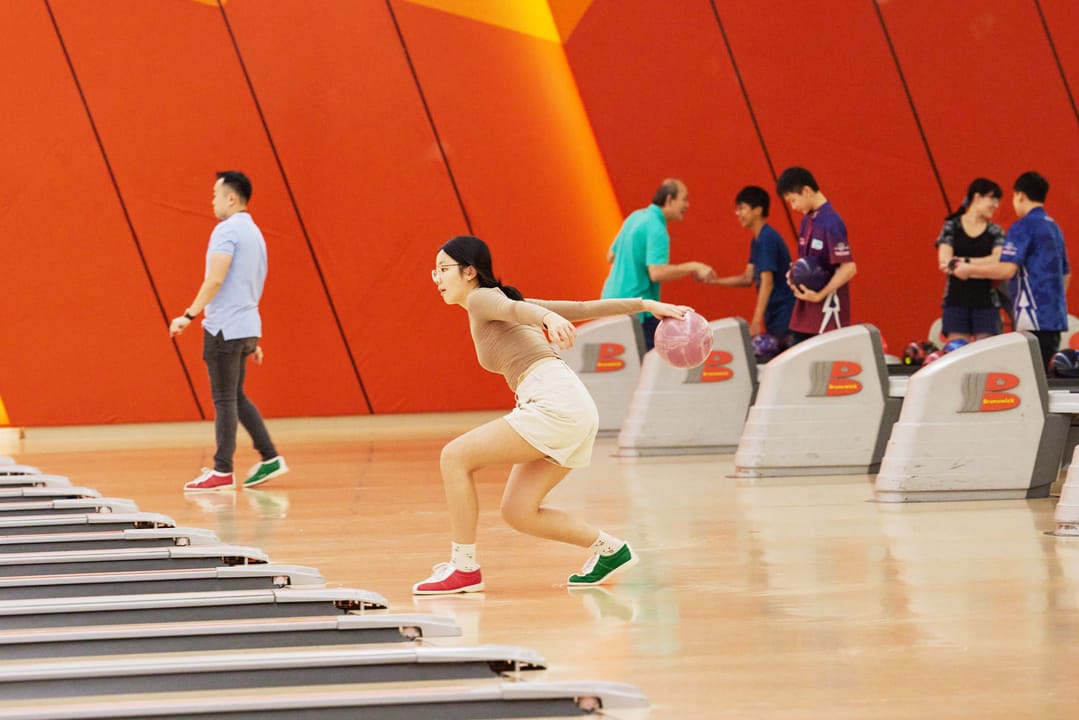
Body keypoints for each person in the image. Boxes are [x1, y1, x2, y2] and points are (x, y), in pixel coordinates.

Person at [414, 235, 688, 595]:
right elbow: (582, 307)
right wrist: (644, 303)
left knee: (454, 458)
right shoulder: (500, 303)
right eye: (434, 271)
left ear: (469, 272)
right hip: (569, 405)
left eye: (443, 269)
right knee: (519, 511)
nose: (436, 278)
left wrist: (546, 317)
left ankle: (464, 568)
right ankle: (611, 550)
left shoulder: (484, 298)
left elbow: (522, 311)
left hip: (554, 403)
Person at [169, 171, 288, 492]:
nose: (213, 201)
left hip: (224, 328)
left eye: (215, 195)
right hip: (248, 326)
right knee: (235, 395)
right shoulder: (256, 234)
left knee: (223, 398)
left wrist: (188, 315)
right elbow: (251, 282)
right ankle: (270, 457)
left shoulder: (226, 231)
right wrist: (254, 338)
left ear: (231, 198)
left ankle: (222, 470)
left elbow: (216, 280)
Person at [952, 171, 1069, 366]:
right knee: (1048, 377)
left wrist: (967, 270)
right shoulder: (1054, 227)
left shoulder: (1022, 226)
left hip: (1031, 319)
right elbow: (1066, 274)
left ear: (1020, 195)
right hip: (1054, 318)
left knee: (1032, 381)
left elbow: (1006, 269)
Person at [601, 178, 712, 350]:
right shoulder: (657, 228)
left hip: (607, 305)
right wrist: (694, 266)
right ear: (669, 200)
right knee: (659, 364)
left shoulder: (635, 217)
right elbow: (657, 273)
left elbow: (610, 256)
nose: (687, 205)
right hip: (636, 312)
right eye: (684, 199)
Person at [702, 185, 794, 344]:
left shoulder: (767, 239)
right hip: (774, 316)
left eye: (742, 208)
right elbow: (747, 278)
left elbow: (767, 282)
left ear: (758, 210)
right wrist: (714, 281)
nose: (737, 213)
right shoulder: (757, 240)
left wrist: (756, 321)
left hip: (785, 316)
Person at [776, 167, 856, 345]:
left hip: (827, 314)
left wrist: (820, 295)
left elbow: (849, 267)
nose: (793, 207)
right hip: (806, 312)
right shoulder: (807, 219)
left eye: (793, 200)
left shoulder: (831, 222)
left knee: (819, 370)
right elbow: (809, 263)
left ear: (806, 191)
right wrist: (795, 274)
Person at [935, 178, 1006, 342]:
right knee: (957, 352)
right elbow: (945, 262)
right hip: (956, 300)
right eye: (993, 199)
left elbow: (999, 261)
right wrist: (984, 267)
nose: (996, 205)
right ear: (977, 197)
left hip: (987, 303)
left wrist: (965, 265)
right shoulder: (952, 226)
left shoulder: (996, 231)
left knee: (986, 354)